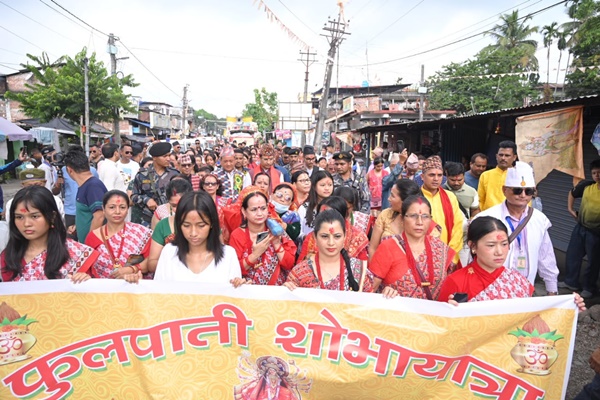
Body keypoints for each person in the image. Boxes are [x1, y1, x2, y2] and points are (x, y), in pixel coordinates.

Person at [439, 217, 587, 313]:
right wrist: (449, 311)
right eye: (491, 245)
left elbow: (532, 317)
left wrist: (569, 308)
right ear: (473, 246)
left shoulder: (516, 279)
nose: (499, 252)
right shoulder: (456, 281)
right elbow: (442, 324)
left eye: (504, 244)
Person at [126, 191, 246, 287]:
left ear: (212, 224)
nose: (193, 233)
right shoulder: (169, 252)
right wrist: (137, 284)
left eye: (201, 225)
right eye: (186, 225)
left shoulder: (228, 255)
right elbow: (160, 296)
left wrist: (239, 286)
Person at [476, 161, 560, 295]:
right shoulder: (486, 218)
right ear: (504, 190)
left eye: (529, 191)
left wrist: (552, 289)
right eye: (517, 190)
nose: (523, 195)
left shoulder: (539, 219)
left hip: (526, 288)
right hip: (492, 289)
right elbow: (473, 256)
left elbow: (546, 255)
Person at [1, 185, 98, 282]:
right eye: (19, 217)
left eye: (34, 216)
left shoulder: (77, 254)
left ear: (52, 217)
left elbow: (96, 293)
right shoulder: (9, 256)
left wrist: (87, 282)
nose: (26, 224)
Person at [369, 195, 455, 299]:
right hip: (398, 313)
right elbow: (369, 289)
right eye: (413, 216)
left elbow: (449, 289)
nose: (419, 222)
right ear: (402, 219)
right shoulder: (388, 247)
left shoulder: (440, 248)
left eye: (425, 216)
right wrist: (384, 293)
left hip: (433, 314)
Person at [285, 209, 372, 292]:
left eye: (337, 236)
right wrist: (285, 291)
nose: (331, 243)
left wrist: (385, 294)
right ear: (315, 237)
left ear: (345, 237)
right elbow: (287, 305)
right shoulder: (300, 272)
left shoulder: (357, 269)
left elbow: (370, 304)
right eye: (324, 236)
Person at [228, 187, 297, 285]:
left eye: (263, 208)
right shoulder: (237, 235)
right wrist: (255, 255)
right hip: (248, 290)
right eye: (254, 210)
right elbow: (234, 269)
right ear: (244, 211)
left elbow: (289, 264)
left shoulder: (276, 230)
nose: (259, 213)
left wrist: (277, 244)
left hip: (277, 292)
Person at [84, 190, 152, 279]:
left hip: (133, 286)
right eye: (112, 207)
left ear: (128, 209)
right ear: (103, 209)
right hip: (102, 289)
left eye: (122, 207)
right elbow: (86, 269)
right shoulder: (93, 237)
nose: (117, 212)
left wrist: (132, 269)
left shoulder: (141, 232)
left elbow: (152, 261)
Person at [560, 159, 600, 299]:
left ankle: (589, 287)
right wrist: (570, 210)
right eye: (594, 173)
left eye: (599, 172)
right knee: (573, 255)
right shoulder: (587, 186)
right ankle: (571, 282)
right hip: (581, 227)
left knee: (593, 261)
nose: (597, 175)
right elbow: (572, 193)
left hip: (596, 233)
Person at [420, 156, 463, 265]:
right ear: (422, 177)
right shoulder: (415, 197)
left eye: (439, 175)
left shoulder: (450, 197)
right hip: (420, 256)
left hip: (447, 256)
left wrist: (450, 257)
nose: (436, 179)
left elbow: (458, 228)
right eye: (431, 175)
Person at [298, 196, 369, 262]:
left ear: (343, 216)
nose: (325, 219)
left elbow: (362, 268)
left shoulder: (358, 237)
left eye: (330, 216)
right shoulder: (312, 237)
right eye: (321, 215)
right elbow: (300, 267)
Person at [147, 180, 193, 273]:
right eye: (174, 205)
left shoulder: (205, 223)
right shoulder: (163, 225)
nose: (179, 208)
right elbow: (151, 264)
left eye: (183, 203)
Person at [369, 179, 422, 259]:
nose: (388, 199)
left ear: (405, 201)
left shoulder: (422, 222)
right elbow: (372, 248)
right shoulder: (385, 215)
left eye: (392, 196)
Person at [131, 142, 180, 227]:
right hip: (148, 220)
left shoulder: (174, 174)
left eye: (169, 155)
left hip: (171, 219)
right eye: (165, 156)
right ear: (154, 158)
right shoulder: (142, 175)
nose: (168, 159)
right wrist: (146, 200)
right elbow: (133, 195)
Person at [64, 149, 107, 243]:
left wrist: (90, 244)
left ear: (69, 170)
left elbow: (99, 216)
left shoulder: (93, 186)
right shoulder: (85, 186)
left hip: (93, 248)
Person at [443, 161, 480, 266]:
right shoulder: (440, 191)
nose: (456, 183)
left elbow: (475, 210)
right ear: (446, 176)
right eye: (452, 180)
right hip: (445, 238)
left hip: (464, 240)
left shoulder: (471, 192)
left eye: (460, 180)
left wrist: (472, 220)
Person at [478, 140, 518, 211]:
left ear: (514, 157)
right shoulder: (485, 175)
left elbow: (526, 201)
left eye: (507, 155)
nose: (503, 158)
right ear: (496, 156)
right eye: (501, 155)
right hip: (489, 217)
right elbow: (480, 200)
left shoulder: (519, 175)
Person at [299, 171, 333, 238]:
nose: (327, 188)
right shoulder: (304, 208)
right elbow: (298, 232)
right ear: (314, 186)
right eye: (322, 185)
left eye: (330, 185)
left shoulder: (335, 206)